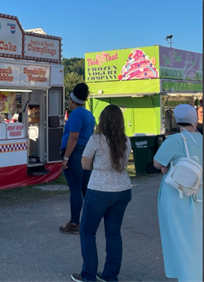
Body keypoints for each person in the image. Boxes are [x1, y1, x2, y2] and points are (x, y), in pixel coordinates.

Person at [70, 105, 132, 282]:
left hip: (99, 189)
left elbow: (85, 165)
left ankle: (88, 275)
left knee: (88, 232)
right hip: (122, 189)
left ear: (102, 120)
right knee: (113, 234)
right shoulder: (126, 140)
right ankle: (110, 275)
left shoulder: (96, 139)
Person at [153, 104, 203, 282]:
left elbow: (157, 164)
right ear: (194, 120)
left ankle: (187, 276)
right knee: (197, 237)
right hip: (199, 194)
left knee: (180, 237)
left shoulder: (174, 140)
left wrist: (168, 164)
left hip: (177, 195)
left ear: (177, 120)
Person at [60, 83, 96, 234]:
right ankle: (90, 221)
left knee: (75, 189)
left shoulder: (76, 114)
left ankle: (74, 222)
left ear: (71, 99)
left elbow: (74, 137)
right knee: (85, 189)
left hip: (75, 154)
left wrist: (66, 157)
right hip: (86, 153)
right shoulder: (90, 115)